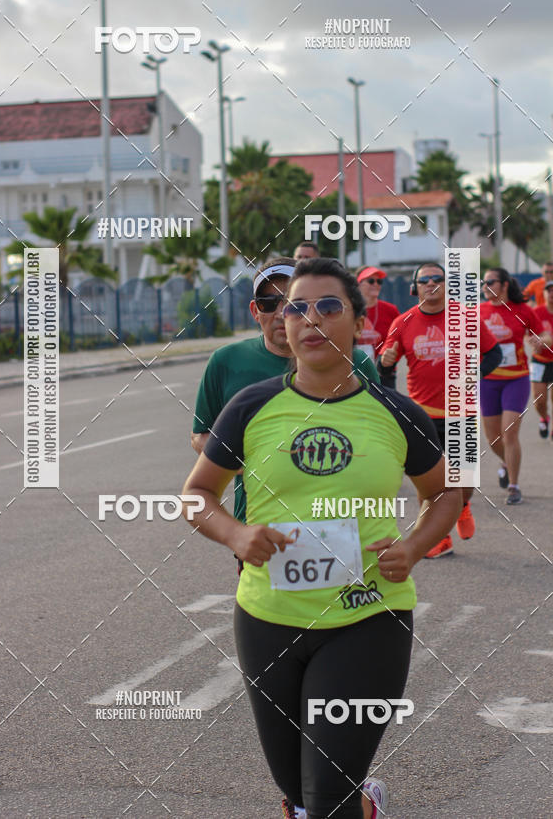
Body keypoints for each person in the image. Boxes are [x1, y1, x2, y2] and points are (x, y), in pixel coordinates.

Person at [183, 257, 462, 819]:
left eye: (328, 306)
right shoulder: (251, 406)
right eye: (295, 308)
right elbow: (197, 496)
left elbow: (446, 493)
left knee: (326, 797)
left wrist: (413, 545)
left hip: (367, 617)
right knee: (298, 790)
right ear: (283, 327)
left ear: (358, 322)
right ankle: (363, 805)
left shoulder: (394, 411)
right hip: (267, 619)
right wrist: (237, 535)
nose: (310, 318)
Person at [191, 257, 379, 524]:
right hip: (260, 523)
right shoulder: (225, 362)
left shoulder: (352, 361)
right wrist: (246, 466)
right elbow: (201, 435)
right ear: (255, 312)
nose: (280, 312)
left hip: (343, 521)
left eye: (291, 302)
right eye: (268, 303)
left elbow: (382, 434)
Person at [378, 263, 502, 556]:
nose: (431, 283)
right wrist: (385, 362)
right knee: (428, 481)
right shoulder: (402, 322)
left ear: (447, 284)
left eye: (438, 278)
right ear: (415, 287)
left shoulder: (466, 318)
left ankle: (462, 506)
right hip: (422, 415)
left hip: (461, 411)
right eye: (424, 280)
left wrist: (472, 374)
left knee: (463, 482)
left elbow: (494, 354)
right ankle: (440, 538)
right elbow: (385, 371)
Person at [481, 268, 549, 504]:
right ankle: (506, 462)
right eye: (483, 282)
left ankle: (513, 485)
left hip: (516, 379)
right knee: (492, 439)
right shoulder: (478, 312)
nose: (485, 286)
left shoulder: (522, 310)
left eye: (490, 282)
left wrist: (540, 341)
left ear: (504, 285)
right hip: (487, 381)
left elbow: (545, 334)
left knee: (510, 433)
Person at [355, 266, 400, 382]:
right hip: (357, 372)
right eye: (371, 281)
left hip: (384, 373)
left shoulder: (390, 310)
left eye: (379, 281)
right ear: (358, 284)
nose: (376, 284)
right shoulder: (350, 310)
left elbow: (401, 336)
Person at [529, 279, 553, 437]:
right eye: (548, 290)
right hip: (539, 360)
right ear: (543, 293)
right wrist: (533, 342)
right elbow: (527, 334)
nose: (552, 294)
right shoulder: (536, 312)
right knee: (539, 401)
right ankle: (544, 418)